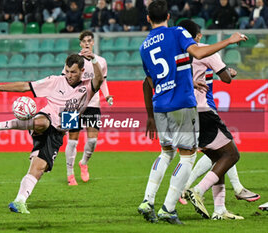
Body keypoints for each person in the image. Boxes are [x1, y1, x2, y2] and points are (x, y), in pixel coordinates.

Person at [137, 0, 247, 224]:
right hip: (182, 105)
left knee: (166, 153)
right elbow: (197, 52)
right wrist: (228, 40)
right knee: (187, 157)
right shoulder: (177, 32)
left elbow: (150, 81)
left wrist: (151, 114)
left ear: (148, 19)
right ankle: (168, 208)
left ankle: (148, 201)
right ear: (168, 16)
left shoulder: (144, 46)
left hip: (160, 105)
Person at [0, 53, 104, 214]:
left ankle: (19, 201)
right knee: (41, 122)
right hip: (46, 118)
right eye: (67, 71)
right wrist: (0, 87)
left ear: (82, 71)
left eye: (73, 72)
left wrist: (94, 60)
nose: (69, 75)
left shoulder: (87, 87)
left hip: (58, 133)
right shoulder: (55, 81)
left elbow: (100, 79)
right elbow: (26, 86)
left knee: (39, 168)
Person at [177, 19, 260, 220]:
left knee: (218, 158)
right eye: (198, 34)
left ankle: (219, 210)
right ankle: (197, 189)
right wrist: (227, 72)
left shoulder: (176, 52)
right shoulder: (205, 49)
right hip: (203, 110)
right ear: (196, 36)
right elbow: (226, 78)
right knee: (232, 155)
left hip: (183, 111)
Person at [63, 30, 113, 185]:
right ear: (80, 43)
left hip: (93, 103)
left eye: (89, 41)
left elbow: (102, 80)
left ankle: (83, 163)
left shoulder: (100, 61)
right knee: (72, 140)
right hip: (73, 105)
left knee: (92, 140)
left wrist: (107, 95)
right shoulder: (73, 61)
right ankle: (70, 174)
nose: (86, 43)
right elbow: (64, 80)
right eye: (84, 41)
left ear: (93, 43)